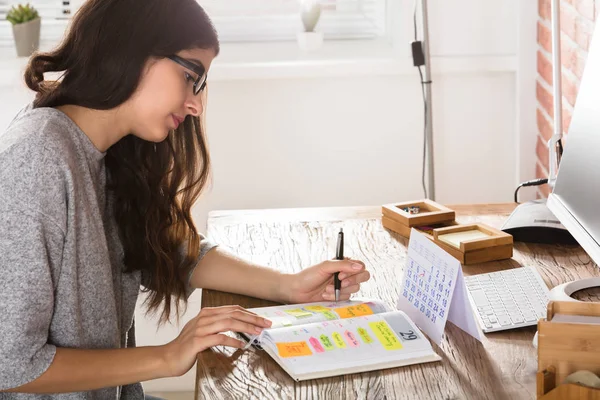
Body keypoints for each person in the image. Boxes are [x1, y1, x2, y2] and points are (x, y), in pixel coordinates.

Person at [0, 0, 371, 398]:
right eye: (189, 75)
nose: (195, 105)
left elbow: (176, 251)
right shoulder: (37, 157)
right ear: (131, 48)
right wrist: (168, 356)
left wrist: (290, 287)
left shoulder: (112, 152)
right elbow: (12, 363)